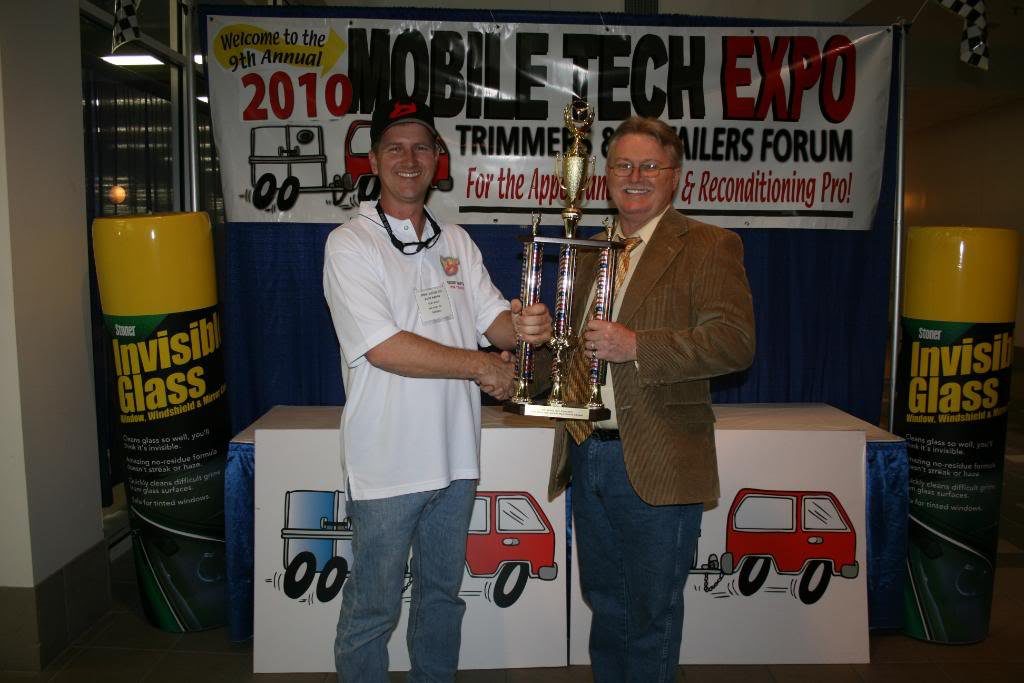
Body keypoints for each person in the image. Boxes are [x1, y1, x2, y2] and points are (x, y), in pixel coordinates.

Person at [323, 96, 551, 682]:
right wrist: (481, 367)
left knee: (441, 601)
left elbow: (494, 320)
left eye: (421, 146)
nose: (409, 158)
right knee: (373, 611)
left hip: (455, 460)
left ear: (437, 159)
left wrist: (527, 328)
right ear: (373, 160)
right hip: (388, 464)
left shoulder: (456, 240)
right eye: (395, 147)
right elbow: (384, 347)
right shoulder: (350, 243)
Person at [549, 116, 755, 681]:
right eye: (621, 165)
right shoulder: (590, 252)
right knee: (606, 607)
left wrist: (638, 345)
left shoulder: (710, 245)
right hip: (588, 452)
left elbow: (735, 343)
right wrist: (538, 340)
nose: (634, 176)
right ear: (603, 176)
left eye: (649, 166)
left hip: (659, 459)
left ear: (674, 177)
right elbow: (576, 354)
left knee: (652, 615)